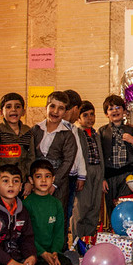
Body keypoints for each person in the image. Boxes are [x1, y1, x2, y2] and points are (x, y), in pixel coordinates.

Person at [24, 159, 73, 265]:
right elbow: (26, 236)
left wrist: (55, 253)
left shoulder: (56, 204)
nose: (43, 180)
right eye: (38, 176)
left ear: (53, 179)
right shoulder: (26, 204)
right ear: (31, 180)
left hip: (52, 252)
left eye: (47, 176)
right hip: (35, 253)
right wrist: (43, 253)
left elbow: (59, 232)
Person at [31, 91, 77, 219]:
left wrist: (54, 183)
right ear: (46, 107)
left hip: (59, 183)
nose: (55, 111)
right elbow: (30, 155)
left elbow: (68, 161)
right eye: (52, 106)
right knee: (37, 215)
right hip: (37, 181)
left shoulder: (67, 135)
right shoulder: (35, 130)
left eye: (61, 108)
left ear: (65, 112)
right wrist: (32, 180)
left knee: (57, 215)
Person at [99, 94, 133, 219]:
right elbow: (100, 157)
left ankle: (126, 228)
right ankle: (113, 229)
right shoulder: (102, 131)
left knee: (125, 204)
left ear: (124, 111)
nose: (115, 111)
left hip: (128, 175)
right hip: (110, 176)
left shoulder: (131, 130)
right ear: (106, 114)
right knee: (111, 207)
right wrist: (102, 178)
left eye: (118, 107)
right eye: (111, 109)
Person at [0, 92, 35, 196]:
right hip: (3, 181)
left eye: (17, 107)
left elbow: (31, 158)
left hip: (21, 181)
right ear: (1, 112)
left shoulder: (28, 132)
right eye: (8, 107)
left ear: (23, 111)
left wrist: (29, 181)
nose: (13, 110)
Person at [73, 101, 104, 246]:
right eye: (85, 115)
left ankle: (89, 241)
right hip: (84, 172)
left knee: (94, 207)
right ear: (78, 118)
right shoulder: (77, 133)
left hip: (97, 171)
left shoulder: (96, 134)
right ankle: (77, 243)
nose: (90, 118)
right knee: (82, 207)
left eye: (92, 114)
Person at [61, 89, 87, 239]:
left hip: (72, 177)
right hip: (61, 177)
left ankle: (64, 242)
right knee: (61, 212)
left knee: (68, 211)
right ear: (76, 109)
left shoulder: (74, 129)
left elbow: (79, 154)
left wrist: (81, 175)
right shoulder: (58, 127)